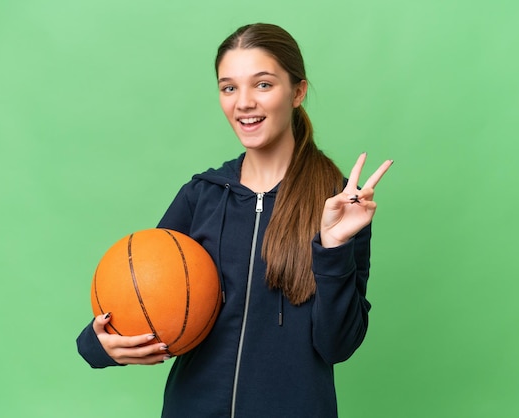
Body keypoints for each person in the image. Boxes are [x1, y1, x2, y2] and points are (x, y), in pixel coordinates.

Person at [76, 22, 393, 418]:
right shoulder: (201, 195)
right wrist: (96, 343)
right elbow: (142, 294)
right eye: (229, 87)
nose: (243, 102)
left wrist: (333, 248)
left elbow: (338, 345)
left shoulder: (340, 204)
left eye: (262, 84)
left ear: (297, 92)